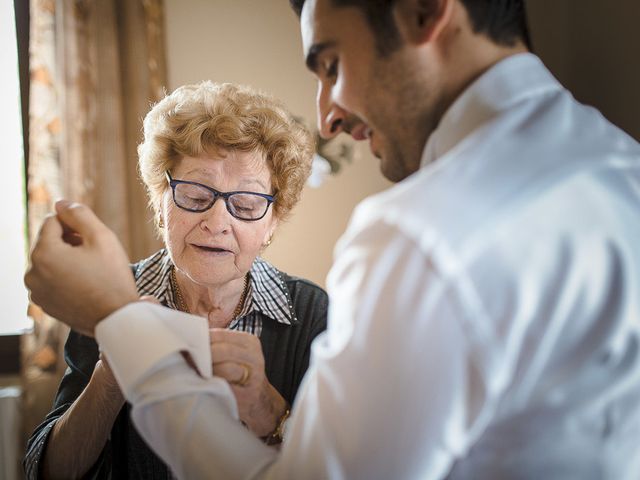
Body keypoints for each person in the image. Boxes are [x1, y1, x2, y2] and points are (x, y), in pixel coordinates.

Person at [25, 0, 640, 478]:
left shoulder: (414, 237)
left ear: (426, 12)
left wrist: (119, 321)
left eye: (331, 63)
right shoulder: (621, 169)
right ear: (162, 200)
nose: (329, 118)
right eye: (194, 194)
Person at [23, 81, 328, 479]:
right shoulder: (112, 294)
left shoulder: (312, 314)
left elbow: (342, 467)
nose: (217, 223)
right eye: (197, 196)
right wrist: (113, 369)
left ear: (272, 222)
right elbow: (47, 472)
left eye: (247, 204)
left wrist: (271, 415)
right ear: (159, 200)